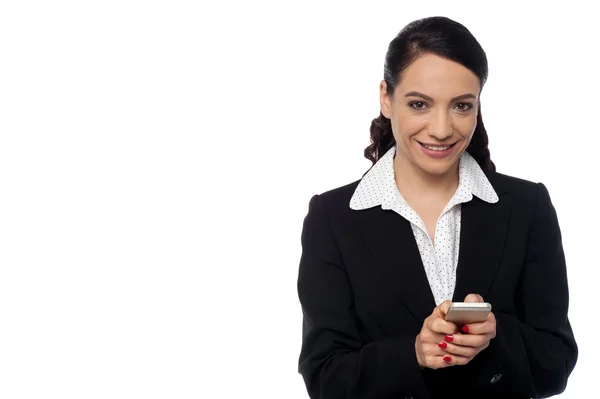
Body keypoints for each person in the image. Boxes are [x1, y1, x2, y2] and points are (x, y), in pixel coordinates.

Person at [296, 16, 578, 399]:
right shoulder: (332, 218)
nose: (442, 129)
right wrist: (413, 354)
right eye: (419, 104)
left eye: (462, 106)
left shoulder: (527, 208)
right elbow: (325, 376)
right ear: (386, 98)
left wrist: (493, 336)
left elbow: (556, 365)